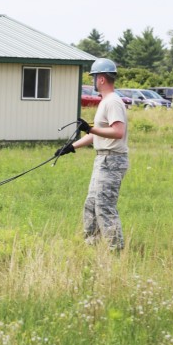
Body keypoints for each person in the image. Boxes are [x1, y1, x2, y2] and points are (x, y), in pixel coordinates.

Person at [55, 58, 129, 251]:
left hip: (112, 160)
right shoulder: (106, 102)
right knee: (92, 203)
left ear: (102, 79)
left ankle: (116, 250)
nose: (94, 81)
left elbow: (117, 132)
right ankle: (91, 245)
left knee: (104, 206)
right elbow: (98, 133)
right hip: (102, 158)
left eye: (94, 77)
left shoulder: (112, 102)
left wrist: (90, 129)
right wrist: (71, 147)